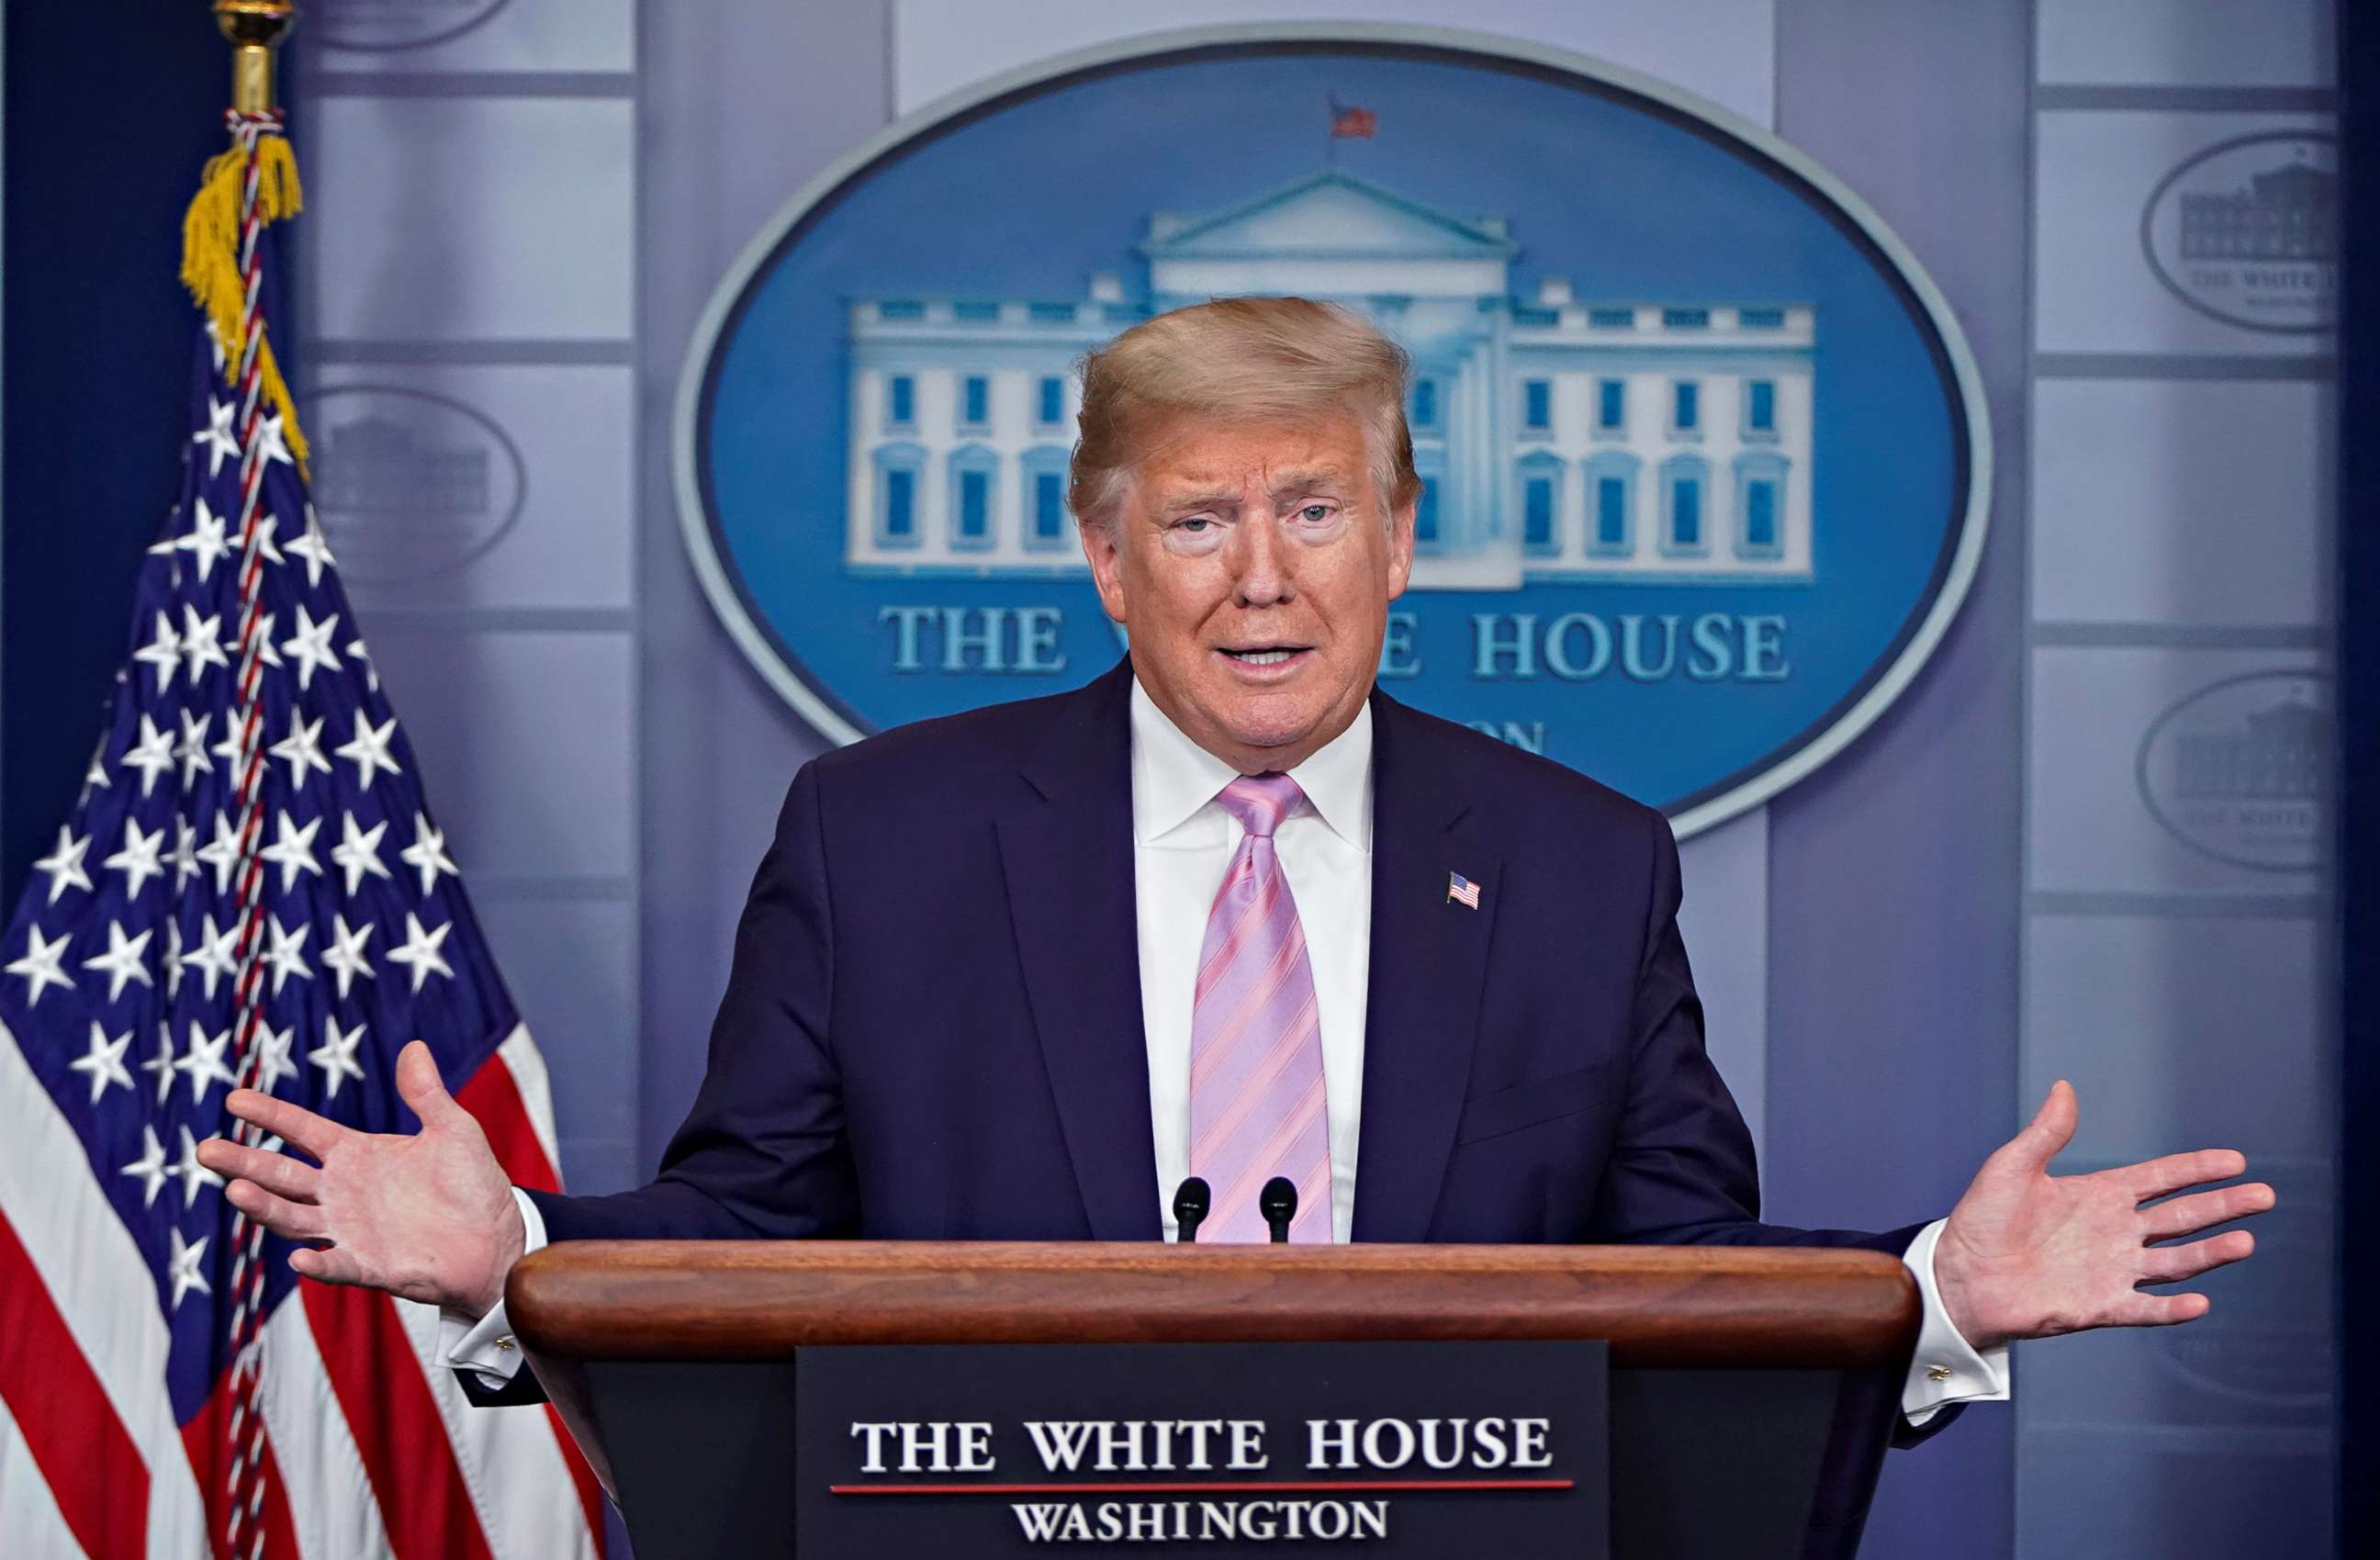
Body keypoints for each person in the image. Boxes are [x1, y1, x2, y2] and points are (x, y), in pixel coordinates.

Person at [198, 297, 2270, 1545]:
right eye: (1196, 518)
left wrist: (1932, 1292)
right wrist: (519, 1256)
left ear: (1402, 543)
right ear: (1107, 558)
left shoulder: (1579, 855)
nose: (1259, 577)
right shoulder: (885, 834)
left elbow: (1681, 1273)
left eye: (1314, 511)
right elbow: (754, 1227)